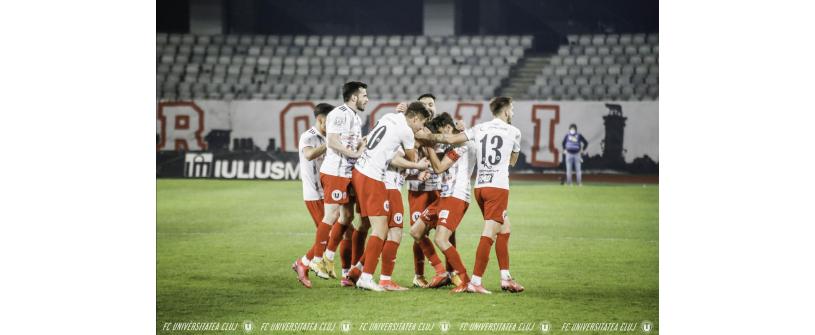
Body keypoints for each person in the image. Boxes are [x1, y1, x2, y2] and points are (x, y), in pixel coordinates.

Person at [414, 97, 525, 294]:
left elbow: (447, 143)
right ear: (506, 111)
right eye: (512, 109)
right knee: (489, 232)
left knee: (504, 227)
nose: (513, 112)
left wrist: (429, 139)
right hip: (495, 187)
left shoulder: (478, 130)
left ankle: (505, 277)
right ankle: (473, 280)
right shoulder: (514, 132)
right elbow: (512, 161)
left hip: (477, 187)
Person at [348, 101, 431, 291]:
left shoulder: (388, 116)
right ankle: (367, 277)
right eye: (421, 123)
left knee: (376, 227)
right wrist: (418, 164)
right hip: (373, 176)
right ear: (415, 118)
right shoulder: (407, 132)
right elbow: (412, 159)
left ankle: (360, 270)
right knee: (381, 230)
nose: (421, 127)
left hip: (360, 170)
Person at [409, 113, 476, 291]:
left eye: (441, 134)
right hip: (445, 196)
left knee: (441, 239)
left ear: (447, 128)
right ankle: (442, 272)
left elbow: (439, 168)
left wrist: (429, 144)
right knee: (416, 231)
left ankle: (465, 280)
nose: (441, 139)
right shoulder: (454, 143)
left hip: (457, 196)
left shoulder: (462, 145)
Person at [309, 82, 368, 280]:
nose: (366, 99)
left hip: (347, 172)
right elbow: (332, 141)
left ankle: (329, 256)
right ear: (354, 97)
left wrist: (364, 143)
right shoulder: (339, 113)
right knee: (331, 215)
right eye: (364, 95)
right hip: (335, 171)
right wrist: (354, 152)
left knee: (347, 217)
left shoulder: (355, 117)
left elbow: (351, 142)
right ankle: (317, 259)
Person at [291, 103, 333, 288]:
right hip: (315, 194)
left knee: (336, 233)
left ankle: (308, 263)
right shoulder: (308, 136)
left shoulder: (329, 136)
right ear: (320, 119)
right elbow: (308, 155)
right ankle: (304, 263)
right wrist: (329, 144)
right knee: (329, 234)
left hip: (328, 192)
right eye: (329, 120)